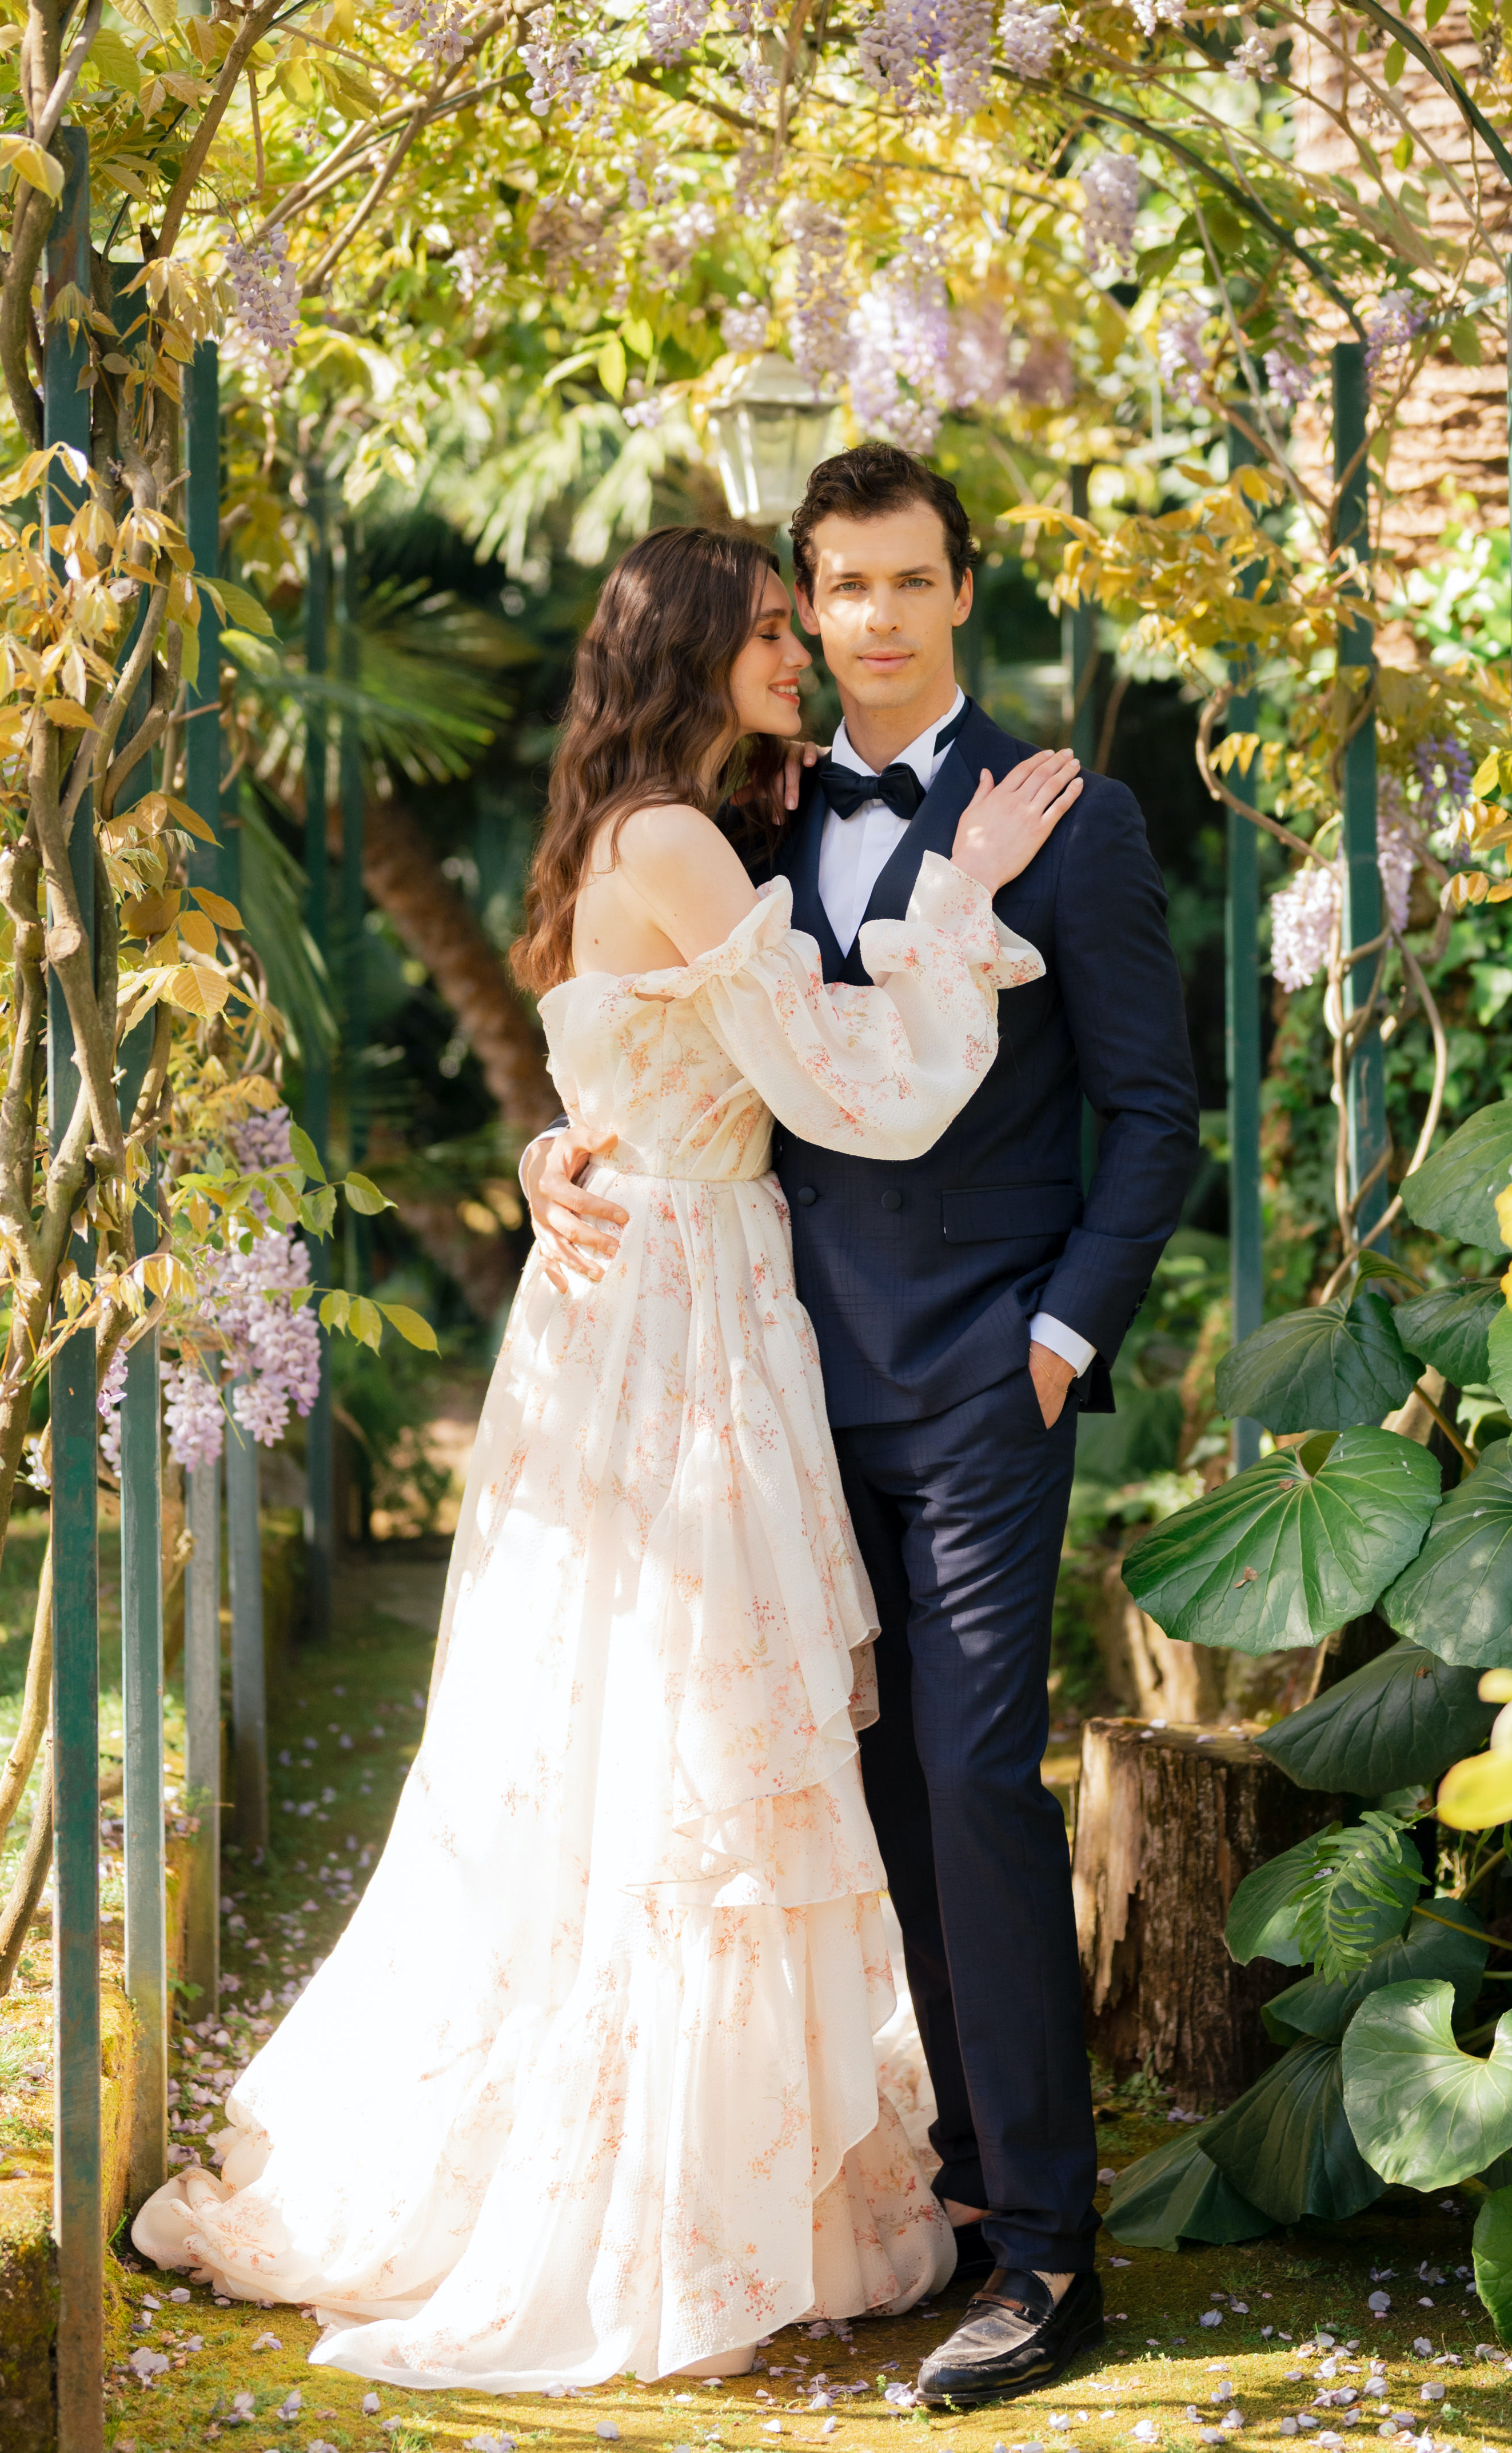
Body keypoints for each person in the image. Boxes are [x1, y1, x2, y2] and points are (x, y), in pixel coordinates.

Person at [131, 522, 1084, 2394]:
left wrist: (554, 1156)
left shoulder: (627, 829)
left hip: (646, 1306)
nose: (806, 653)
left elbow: (621, 1081)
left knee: (620, 1751)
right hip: (688, 1327)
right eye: (774, 631)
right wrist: (964, 891)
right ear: (695, 648)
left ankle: (706, 2165)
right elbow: (848, 1087)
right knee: (689, 1758)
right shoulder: (675, 839)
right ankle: (663, 2193)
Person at [525, 446, 1201, 2410]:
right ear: (806, 608)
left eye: (912, 580)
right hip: (785, 1387)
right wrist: (564, 1141)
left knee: (985, 1785)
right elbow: (672, 1039)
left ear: (962, 590)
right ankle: (971, 2192)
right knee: (874, 1796)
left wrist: (1065, 1336)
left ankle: (1055, 2255)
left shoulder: (1068, 822)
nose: (876, 619)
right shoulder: (756, 804)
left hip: (993, 1380)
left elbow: (1154, 1117)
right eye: (841, 587)